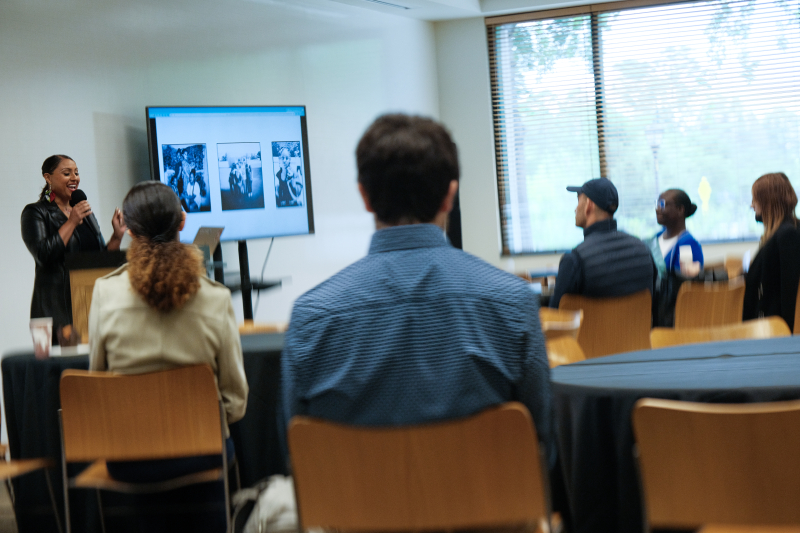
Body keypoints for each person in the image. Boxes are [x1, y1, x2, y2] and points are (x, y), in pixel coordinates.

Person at [282, 113, 554, 469]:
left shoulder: (310, 318)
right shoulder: (513, 302)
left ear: (364, 196)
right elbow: (544, 445)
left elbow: (297, 460)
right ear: (449, 196)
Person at [88, 181, 248, 532]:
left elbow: (98, 382)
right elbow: (236, 401)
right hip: (202, 454)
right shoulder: (216, 298)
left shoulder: (104, 292)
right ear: (183, 222)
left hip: (129, 461)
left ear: (128, 229)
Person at [21, 154, 125, 344]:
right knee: (55, 371)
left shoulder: (83, 211)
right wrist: (72, 222)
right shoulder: (36, 213)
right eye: (67, 173)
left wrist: (117, 236)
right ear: (48, 177)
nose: (74, 178)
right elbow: (43, 254)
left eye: (76, 173)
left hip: (87, 304)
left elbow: (99, 259)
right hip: (53, 309)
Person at [550, 177, 655, 309]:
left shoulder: (575, 260)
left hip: (590, 330)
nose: (575, 209)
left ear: (588, 205)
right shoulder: (644, 250)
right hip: (639, 330)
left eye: (578, 202)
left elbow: (556, 318)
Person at [743, 172, 800, 331]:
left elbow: (789, 293)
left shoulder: (787, 234)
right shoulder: (779, 233)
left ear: (767, 201)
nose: (752, 205)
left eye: (755, 199)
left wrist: (786, 340)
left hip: (776, 332)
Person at [647, 189, 704, 326]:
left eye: (663, 204)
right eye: (657, 204)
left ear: (680, 210)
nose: (657, 209)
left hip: (673, 318)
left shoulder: (688, 244)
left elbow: (688, 289)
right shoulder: (654, 239)